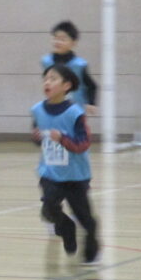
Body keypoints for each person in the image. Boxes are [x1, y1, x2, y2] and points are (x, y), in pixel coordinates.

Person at [31, 63, 101, 265]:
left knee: (85, 217)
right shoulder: (37, 110)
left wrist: (62, 139)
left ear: (66, 85)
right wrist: (37, 138)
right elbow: (38, 138)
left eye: (53, 79)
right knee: (48, 209)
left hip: (75, 175)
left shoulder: (75, 113)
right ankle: (66, 228)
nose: (47, 82)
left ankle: (91, 248)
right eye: (45, 78)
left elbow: (83, 143)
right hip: (50, 172)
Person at [41, 20, 98, 116]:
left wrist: (91, 102)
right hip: (53, 110)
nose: (58, 42)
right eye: (55, 38)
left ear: (73, 43)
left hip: (75, 111)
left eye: (62, 39)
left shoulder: (79, 65)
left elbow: (91, 86)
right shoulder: (47, 62)